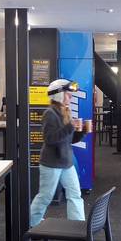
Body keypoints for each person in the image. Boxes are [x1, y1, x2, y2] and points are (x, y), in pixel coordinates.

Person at [29, 79, 86, 227]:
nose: (70, 97)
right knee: (45, 197)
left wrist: (82, 131)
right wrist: (70, 127)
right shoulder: (50, 114)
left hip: (66, 162)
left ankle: (78, 226)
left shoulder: (65, 111)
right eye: (67, 94)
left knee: (75, 195)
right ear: (58, 95)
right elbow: (50, 139)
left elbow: (69, 139)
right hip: (51, 163)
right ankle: (32, 224)